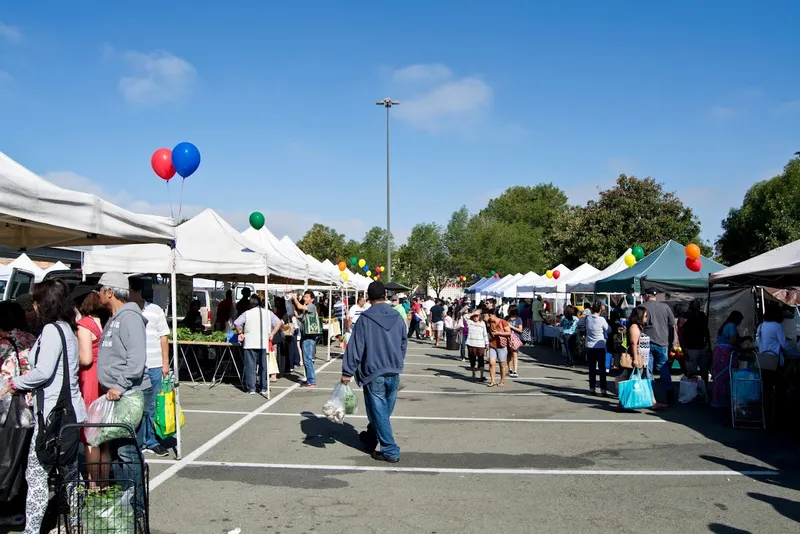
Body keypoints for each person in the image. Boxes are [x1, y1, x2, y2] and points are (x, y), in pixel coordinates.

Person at [0, 279, 86, 534]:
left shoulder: (51, 331)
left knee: (37, 476)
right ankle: (77, 522)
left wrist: (13, 384)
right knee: (70, 472)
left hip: (52, 415)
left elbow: (42, 372)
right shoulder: (67, 329)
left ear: (45, 302)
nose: (34, 306)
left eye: (36, 301)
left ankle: (32, 530)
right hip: (70, 413)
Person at [96, 272, 151, 520]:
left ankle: (136, 507)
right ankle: (125, 503)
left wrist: (119, 384)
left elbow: (136, 360)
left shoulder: (129, 318)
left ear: (110, 291)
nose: (97, 294)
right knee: (120, 452)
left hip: (129, 394)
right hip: (118, 394)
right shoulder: (115, 318)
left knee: (127, 452)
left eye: (100, 289)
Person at [342, 281, 407, 463]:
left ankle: (390, 449)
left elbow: (355, 348)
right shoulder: (397, 316)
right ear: (385, 296)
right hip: (393, 371)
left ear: (369, 298)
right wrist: (397, 361)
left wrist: (347, 372)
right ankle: (371, 438)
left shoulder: (365, 319)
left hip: (374, 371)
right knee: (382, 410)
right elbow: (403, 342)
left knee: (378, 410)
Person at [129, 277, 171, 457]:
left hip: (154, 366)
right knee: (137, 407)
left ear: (137, 292)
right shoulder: (126, 312)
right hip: (134, 367)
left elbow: (164, 337)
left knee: (153, 406)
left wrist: (165, 363)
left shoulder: (155, 311)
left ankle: (152, 440)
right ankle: (138, 442)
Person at [75, 290, 113, 483]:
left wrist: (74, 359)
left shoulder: (84, 325)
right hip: (106, 376)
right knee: (104, 437)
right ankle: (105, 482)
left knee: (90, 436)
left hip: (89, 378)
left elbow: (86, 358)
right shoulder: (107, 322)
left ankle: (93, 483)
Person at [235, 295, 283, 394]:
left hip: (250, 342)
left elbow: (237, 323)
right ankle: (263, 387)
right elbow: (279, 323)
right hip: (263, 342)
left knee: (250, 366)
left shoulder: (247, 313)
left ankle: (251, 388)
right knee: (263, 366)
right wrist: (272, 334)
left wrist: (240, 333)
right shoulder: (268, 313)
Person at [641, 288, 679, 403]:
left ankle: (649, 394)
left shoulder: (641, 307)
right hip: (662, 341)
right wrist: (673, 341)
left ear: (646, 295)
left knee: (648, 368)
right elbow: (673, 324)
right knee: (664, 367)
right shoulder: (665, 307)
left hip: (646, 342)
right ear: (656, 296)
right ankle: (669, 391)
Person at [291, 290, 320, 388]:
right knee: (306, 358)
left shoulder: (311, 306)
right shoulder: (307, 309)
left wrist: (294, 298)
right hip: (305, 334)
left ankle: (312, 380)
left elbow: (300, 306)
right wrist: (296, 314)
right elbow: (302, 318)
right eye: (304, 297)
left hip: (309, 335)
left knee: (307, 359)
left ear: (312, 299)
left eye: (307, 297)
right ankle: (309, 379)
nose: (305, 298)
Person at [679, 299, 710, 381]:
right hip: (702, 346)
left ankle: (691, 390)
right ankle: (704, 389)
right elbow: (707, 332)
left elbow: (680, 334)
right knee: (704, 371)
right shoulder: (702, 316)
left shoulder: (684, 317)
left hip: (690, 347)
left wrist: (683, 349)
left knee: (691, 372)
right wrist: (709, 345)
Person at [585, 300, 611, 396]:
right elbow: (608, 329)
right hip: (599, 345)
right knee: (601, 369)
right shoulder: (602, 320)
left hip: (589, 345)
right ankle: (603, 389)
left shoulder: (588, 318)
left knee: (592, 368)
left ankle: (592, 388)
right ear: (600, 309)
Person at [487, 313, 511, 387]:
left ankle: (502, 381)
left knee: (502, 364)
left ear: (494, 315)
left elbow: (508, 332)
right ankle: (492, 381)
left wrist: (498, 333)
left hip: (501, 346)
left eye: (490, 315)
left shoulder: (503, 322)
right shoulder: (489, 322)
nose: (489, 317)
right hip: (492, 345)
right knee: (491, 363)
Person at [466, 310, 489, 382]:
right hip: (471, 343)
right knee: (472, 359)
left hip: (480, 344)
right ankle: (473, 372)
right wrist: (474, 313)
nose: (476, 318)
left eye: (477, 316)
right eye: (475, 316)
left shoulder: (482, 323)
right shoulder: (470, 322)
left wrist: (487, 343)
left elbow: (485, 333)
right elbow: (464, 317)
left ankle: (481, 376)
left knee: (481, 359)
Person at [506, 306, 523, 378]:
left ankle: (515, 370)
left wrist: (511, 327)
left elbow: (520, 330)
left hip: (515, 338)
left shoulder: (518, 319)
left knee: (515, 354)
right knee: (509, 354)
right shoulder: (506, 318)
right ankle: (509, 369)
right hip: (507, 338)